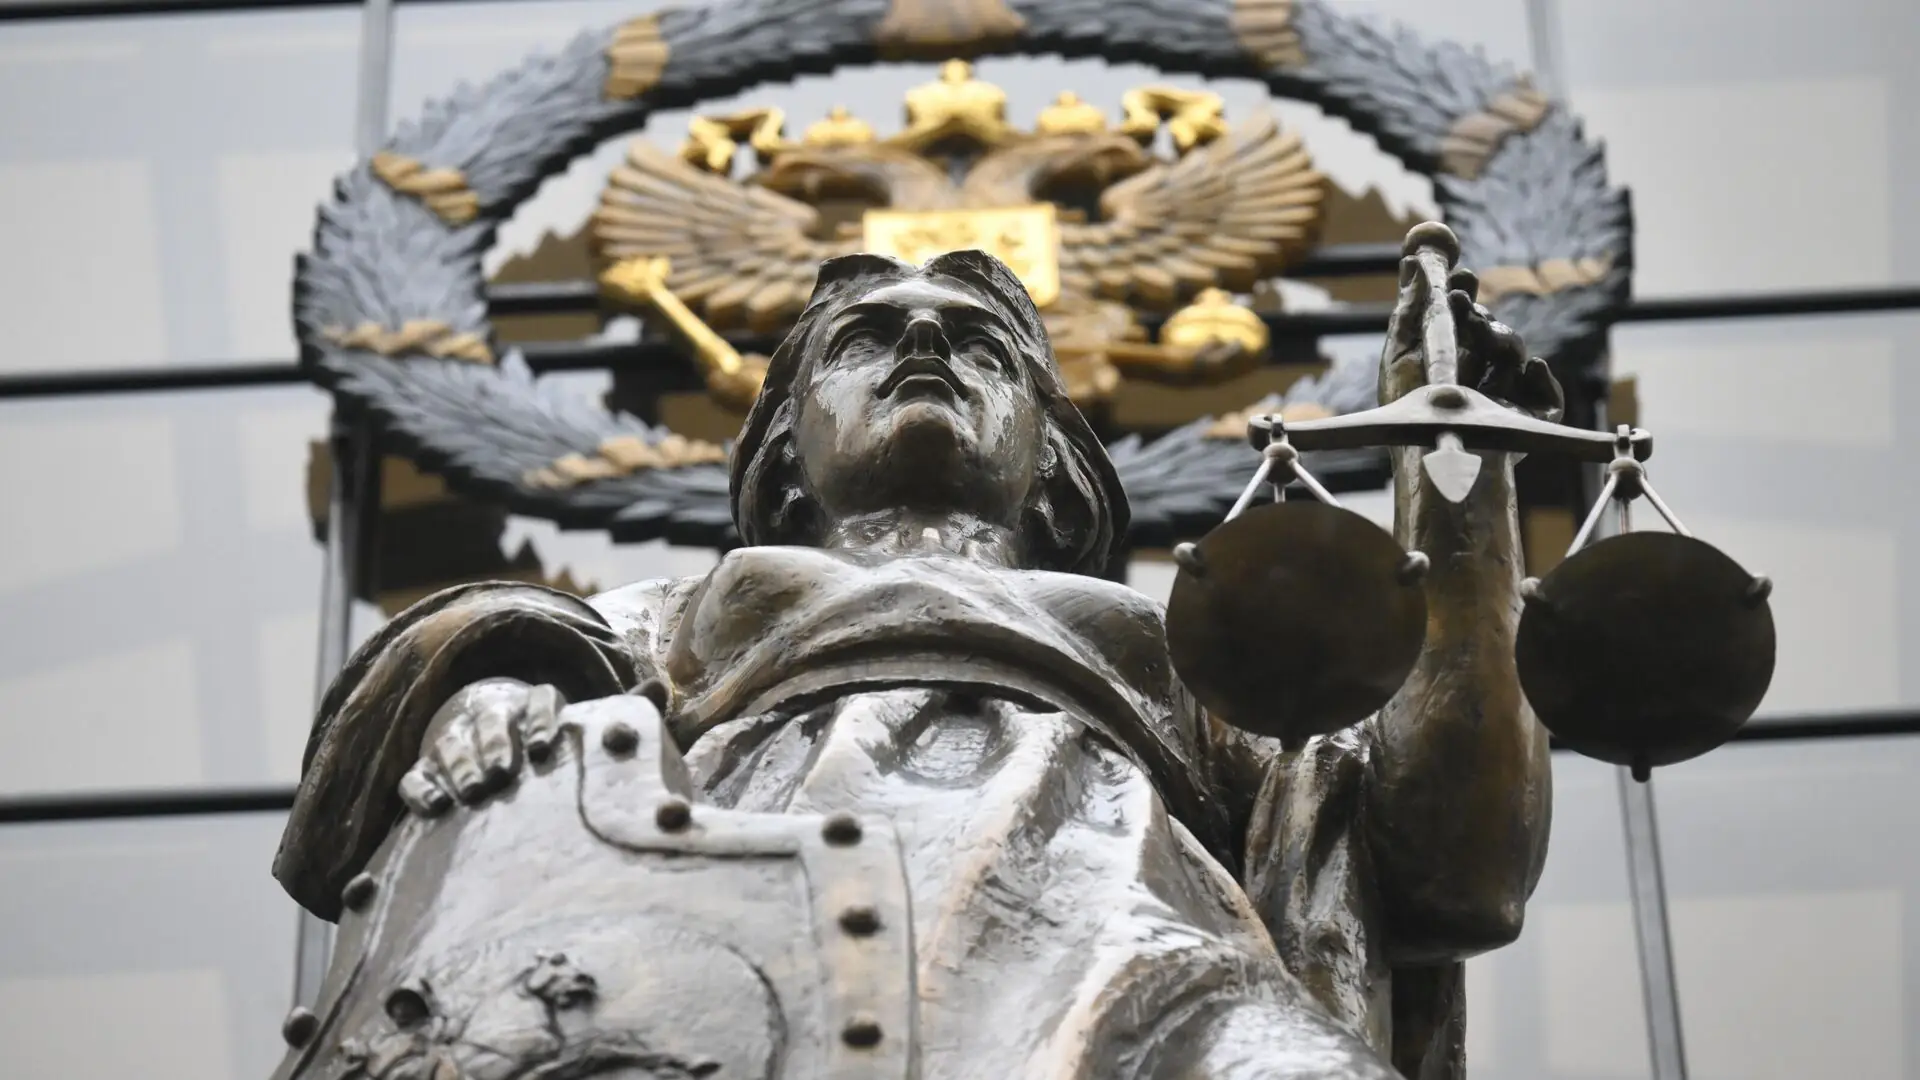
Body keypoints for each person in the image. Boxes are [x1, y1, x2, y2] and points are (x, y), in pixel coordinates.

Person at [275, 247, 1557, 1078]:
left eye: (982, 347)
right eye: (865, 339)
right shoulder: (679, 616)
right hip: (758, 949)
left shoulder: (1194, 649)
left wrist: (1460, 504)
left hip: (1132, 952)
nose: (926, 349)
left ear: (1052, 464)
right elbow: (512, 667)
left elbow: (1455, 868)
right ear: (785, 454)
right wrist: (500, 694)